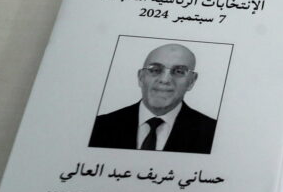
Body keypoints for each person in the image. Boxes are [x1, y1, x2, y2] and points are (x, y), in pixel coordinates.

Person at [88, 43, 217, 154]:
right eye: (155, 70)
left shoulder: (211, 133)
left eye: (179, 71)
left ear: (191, 81)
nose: (165, 80)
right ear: (141, 77)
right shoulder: (99, 126)